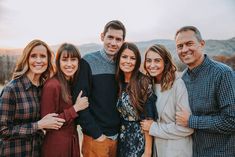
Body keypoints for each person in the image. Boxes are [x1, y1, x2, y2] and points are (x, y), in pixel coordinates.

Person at [175, 26, 235, 156]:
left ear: (201, 44)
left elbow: (231, 120)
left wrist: (192, 120)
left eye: (189, 44)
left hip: (220, 153)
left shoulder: (222, 73)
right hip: (194, 152)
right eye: (180, 46)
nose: (184, 49)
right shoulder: (183, 79)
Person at [0, 39, 65, 157]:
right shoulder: (12, 89)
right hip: (15, 153)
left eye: (43, 56)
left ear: (48, 60)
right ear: (27, 59)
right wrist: (38, 125)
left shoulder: (44, 88)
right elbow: (3, 130)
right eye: (33, 56)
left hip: (37, 152)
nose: (38, 60)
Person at [72, 20, 126, 157]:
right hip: (96, 138)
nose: (113, 43)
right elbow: (79, 102)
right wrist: (97, 135)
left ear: (123, 42)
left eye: (118, 39)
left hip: (118, 137)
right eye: (110, 37)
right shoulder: (88, 62)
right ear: (102, 36)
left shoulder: (123, 64)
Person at [141, 44, 193, 157]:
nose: (152, 65)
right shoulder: (149, 85)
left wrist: (153, 128)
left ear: (166, 63)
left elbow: (187, 128)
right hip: (157, 149)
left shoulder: (178, 85)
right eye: (148, 61)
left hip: (176, 150)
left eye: (157, 61)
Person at [40, 43, 89, 157]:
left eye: (73, 60)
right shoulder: (52, 85)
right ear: (58, 62)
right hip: (57, 146)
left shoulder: (69, 83)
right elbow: (47, 124)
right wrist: (75, 108)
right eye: (65, 60)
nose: (69, 64)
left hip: (71, 141)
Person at [116, 42, 157, 157]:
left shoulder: (143, 82)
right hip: (122, 138)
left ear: (137, 61)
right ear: (118, 58)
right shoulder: (118, 82)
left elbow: (148, 118)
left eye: (132, 58)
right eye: (124, 57)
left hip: (139, 140)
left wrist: (147, 151)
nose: (128, 61)